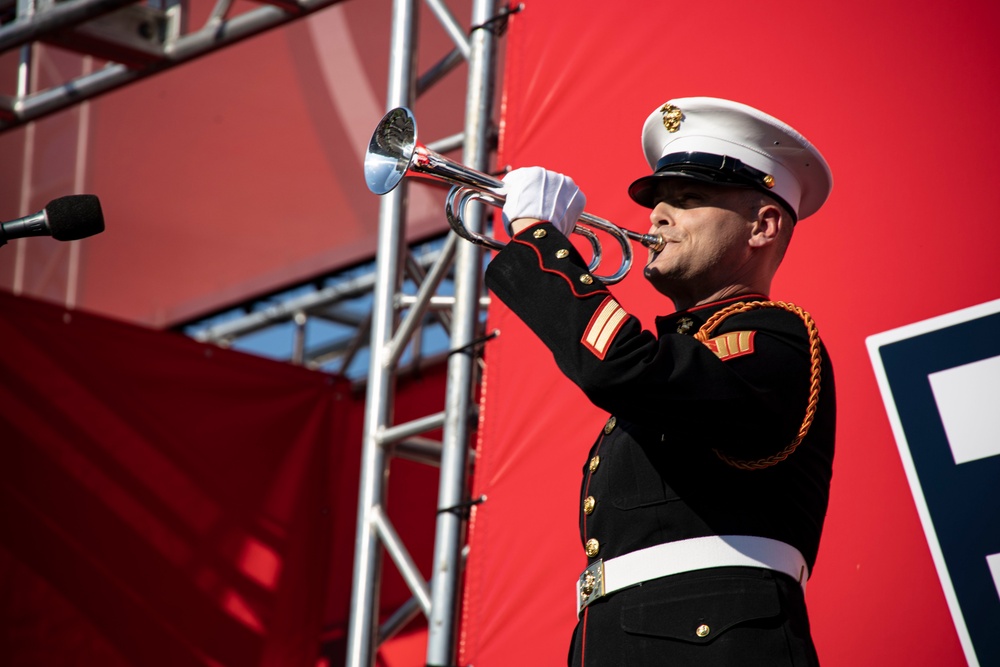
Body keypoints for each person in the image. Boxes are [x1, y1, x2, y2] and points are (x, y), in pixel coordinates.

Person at [483, 97, 836, 666]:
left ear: (764, 225)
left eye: (689, 200)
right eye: (657, 204)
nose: (657, 218)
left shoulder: (779, 339)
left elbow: (620, 366)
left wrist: (540, 238)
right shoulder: (684, 358)